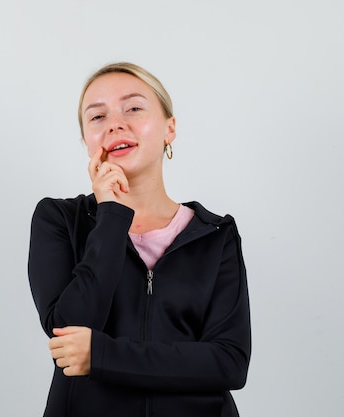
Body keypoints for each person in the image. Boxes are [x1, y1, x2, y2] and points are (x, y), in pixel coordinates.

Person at [27, 62, 251, 417]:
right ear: (87, 141)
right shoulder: (59, 219)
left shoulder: (216, 234)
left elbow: (229, 362)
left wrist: (100, 355)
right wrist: (112, 213)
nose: (115, 123)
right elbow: (70, 332)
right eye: (97, 117)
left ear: (169, 128)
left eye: (133, 108)